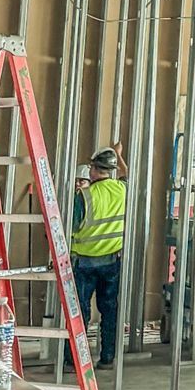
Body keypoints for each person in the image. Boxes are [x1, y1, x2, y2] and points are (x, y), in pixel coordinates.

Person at [71, 145, 125, 370]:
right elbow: (128, 176)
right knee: (109, 309)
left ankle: (74, 361)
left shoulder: (84, 196)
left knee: (79, 313)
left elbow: (70, 227)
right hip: (112, 260)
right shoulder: (121, 190)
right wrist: (119, 155)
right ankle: (107, 358)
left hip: (84, 262)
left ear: (93, 169)